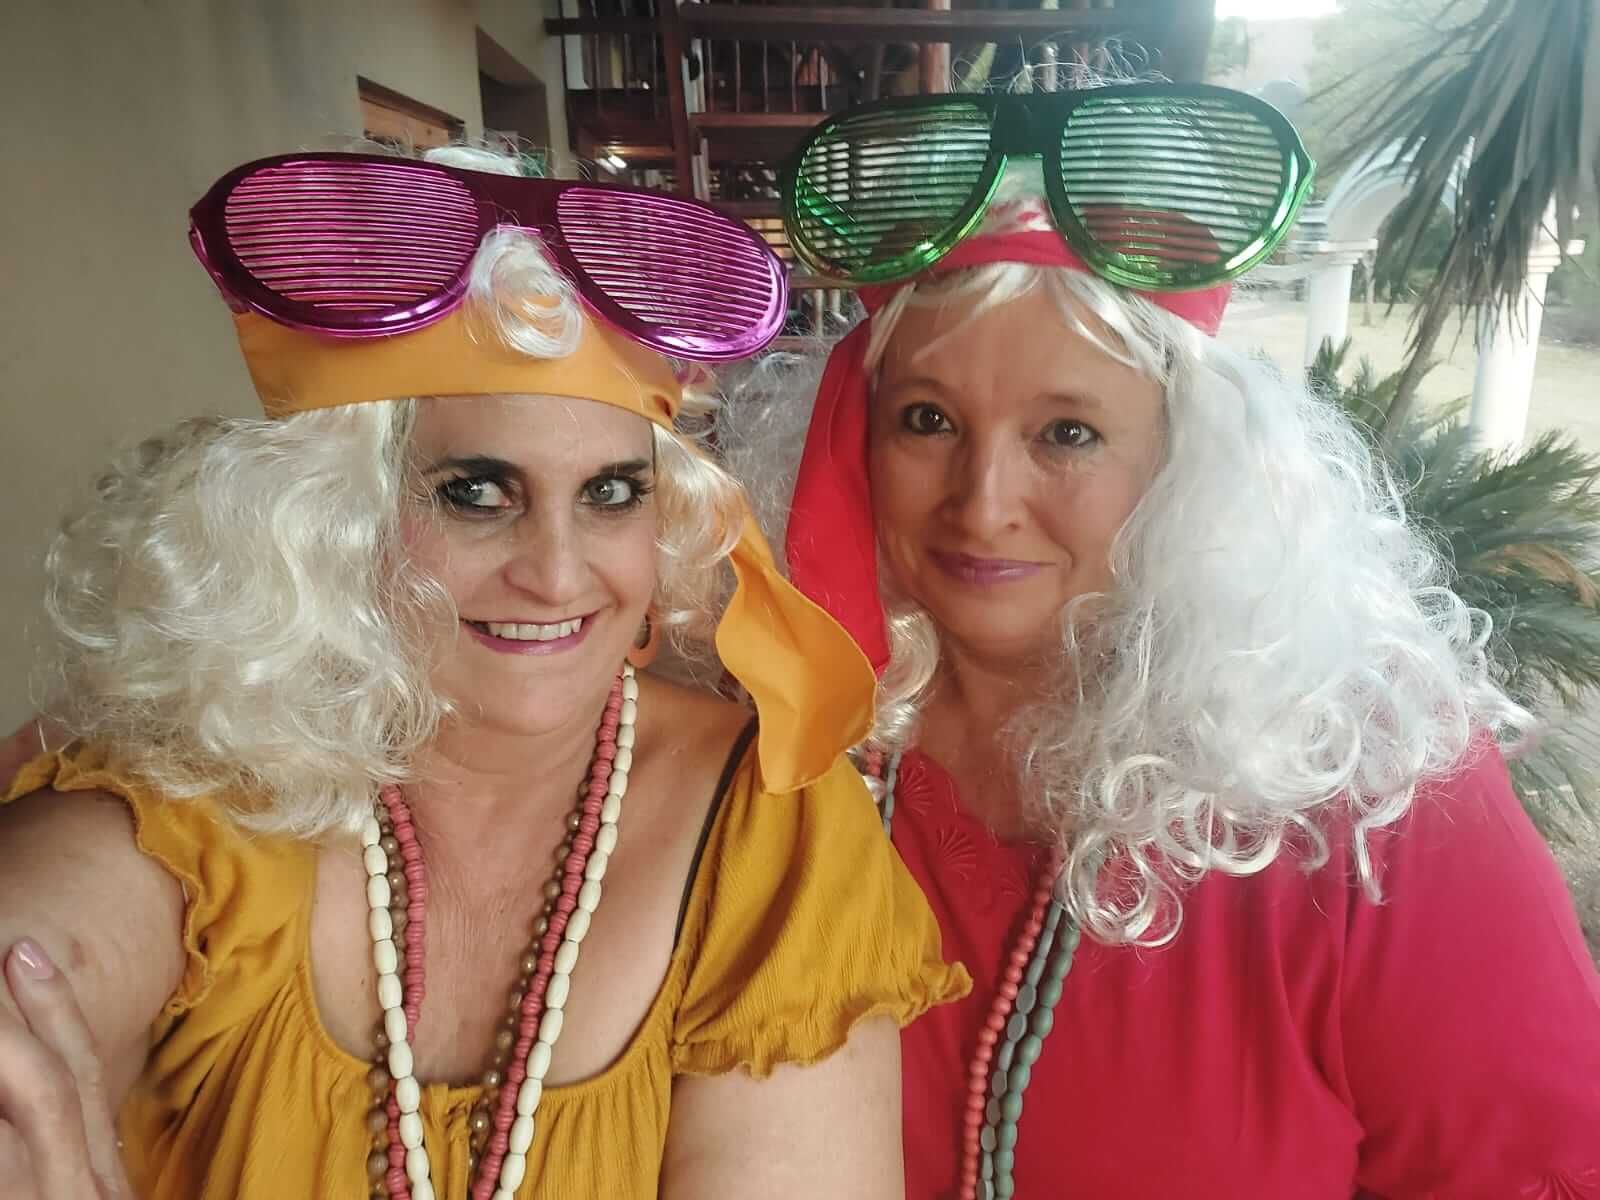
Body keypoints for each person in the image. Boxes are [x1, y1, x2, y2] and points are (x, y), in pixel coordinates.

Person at [0, 146, 967, 1200]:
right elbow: (47, 943)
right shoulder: (206, 773)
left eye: (609, 494)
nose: (556, 573)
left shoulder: (768, 821)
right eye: (475, 493)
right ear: (334, 518)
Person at [723, 84, 1600, 1198]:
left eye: (1067, 433)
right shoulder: (764, 740)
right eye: (927, 420)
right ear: (855, 432)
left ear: (1188, 460)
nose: (982, 503)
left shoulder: (1379, 792)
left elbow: (1530, 1166)